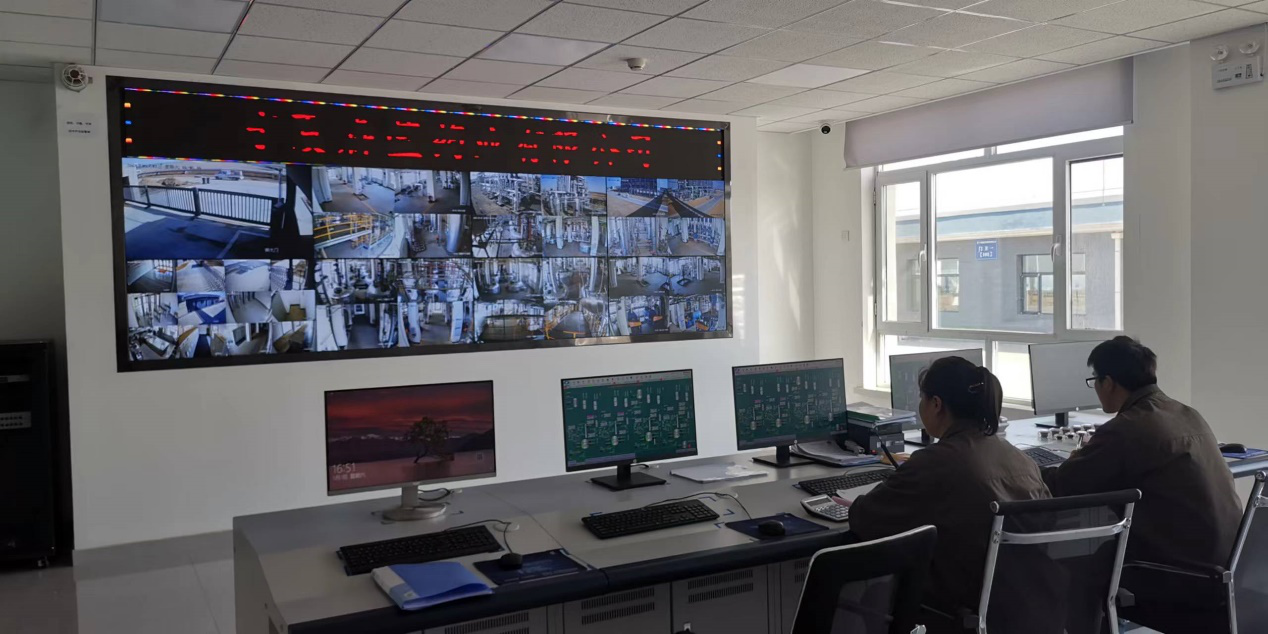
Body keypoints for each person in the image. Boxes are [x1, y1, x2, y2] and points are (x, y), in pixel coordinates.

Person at [1041, 336, 1242, 630]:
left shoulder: (1127, 428)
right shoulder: (1188, 414)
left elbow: (1062, 485)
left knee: (1071, 559)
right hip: (1229, 567)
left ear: (1109, 383)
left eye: (1094, 380)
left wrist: (1021, 466)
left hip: (1183, 576)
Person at [847, 357, 1053, 631]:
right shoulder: (1022, 460)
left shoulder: (935, 462)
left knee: (875, 593)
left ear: (936, 404)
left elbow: (866, 518)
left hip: (962, 609)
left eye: (922, 398)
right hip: (1027, 607)